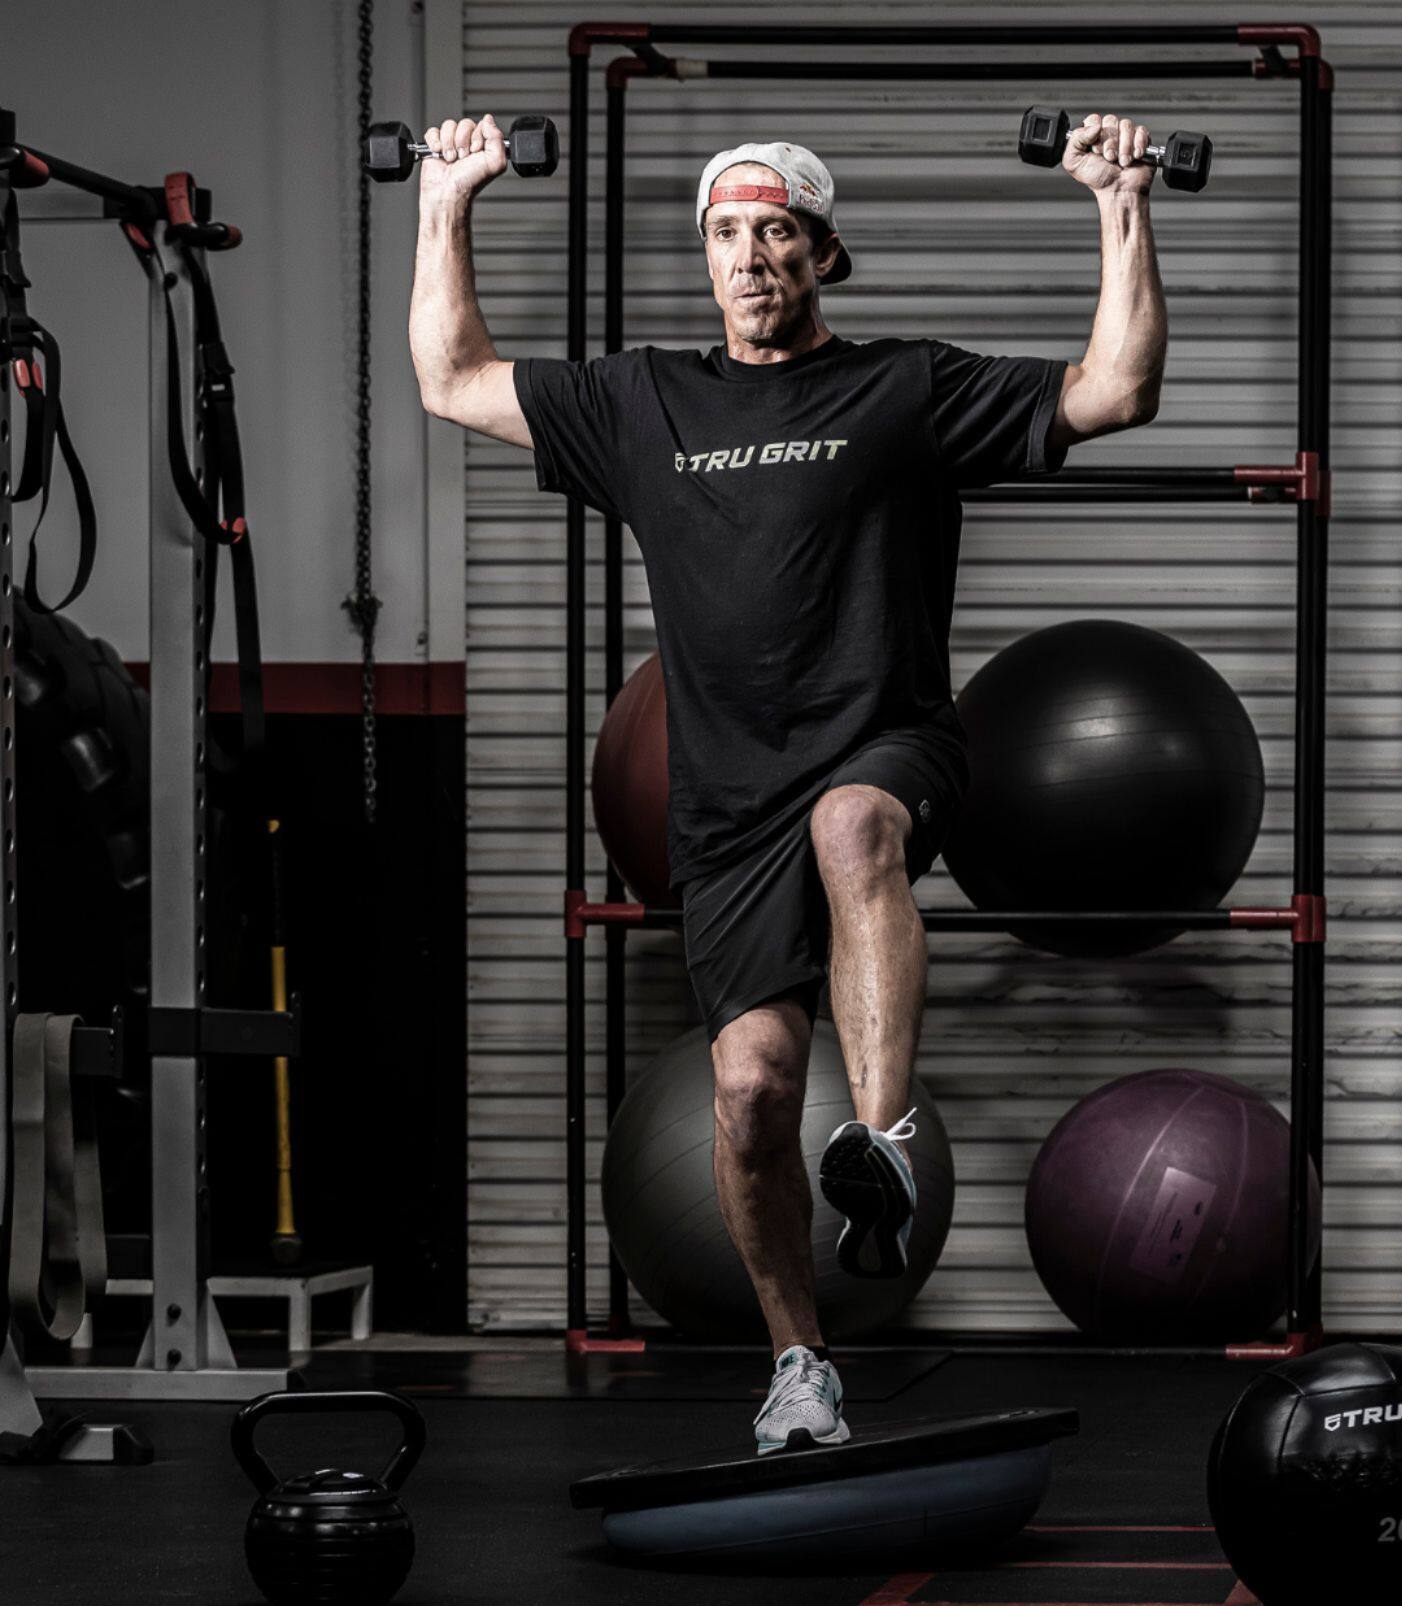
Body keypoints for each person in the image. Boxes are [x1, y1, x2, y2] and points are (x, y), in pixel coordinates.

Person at [408, 111, 1168, 1453]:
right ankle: (800, 1365)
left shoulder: (903, 388)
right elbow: (452, 378)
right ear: (704, 256)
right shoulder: (641, 403)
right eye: (726, 233)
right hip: (726, 808)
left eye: (777, 232)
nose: (751, 255)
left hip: (889, 744)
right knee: (752, 1094)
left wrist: (1121, 204)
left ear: (825, 254)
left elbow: (1114, 390)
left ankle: (880, 1138)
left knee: (853, 823)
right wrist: (445, 198)